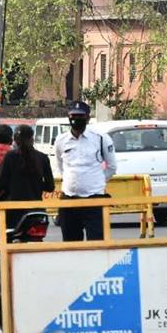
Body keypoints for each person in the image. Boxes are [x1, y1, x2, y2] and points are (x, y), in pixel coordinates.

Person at [53, 101, 117, 241]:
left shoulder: (101, 138)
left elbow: (111, 167)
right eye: (73, 115)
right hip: (69, 199)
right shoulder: (61, 140)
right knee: (70, 244)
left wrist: (95, 182)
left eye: (80, 116)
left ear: (88, 118)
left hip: (94, 200)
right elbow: (60, 166)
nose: (76, 119)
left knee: (97, 243)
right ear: (68, 117)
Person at [0, 124, 56, 228]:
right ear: (32, 138)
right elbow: (50, 187)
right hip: (36, 210)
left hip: (13, 211)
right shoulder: (43, 158)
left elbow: (0, 184)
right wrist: (37, 185)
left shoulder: (10, 157)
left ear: (15, 139)